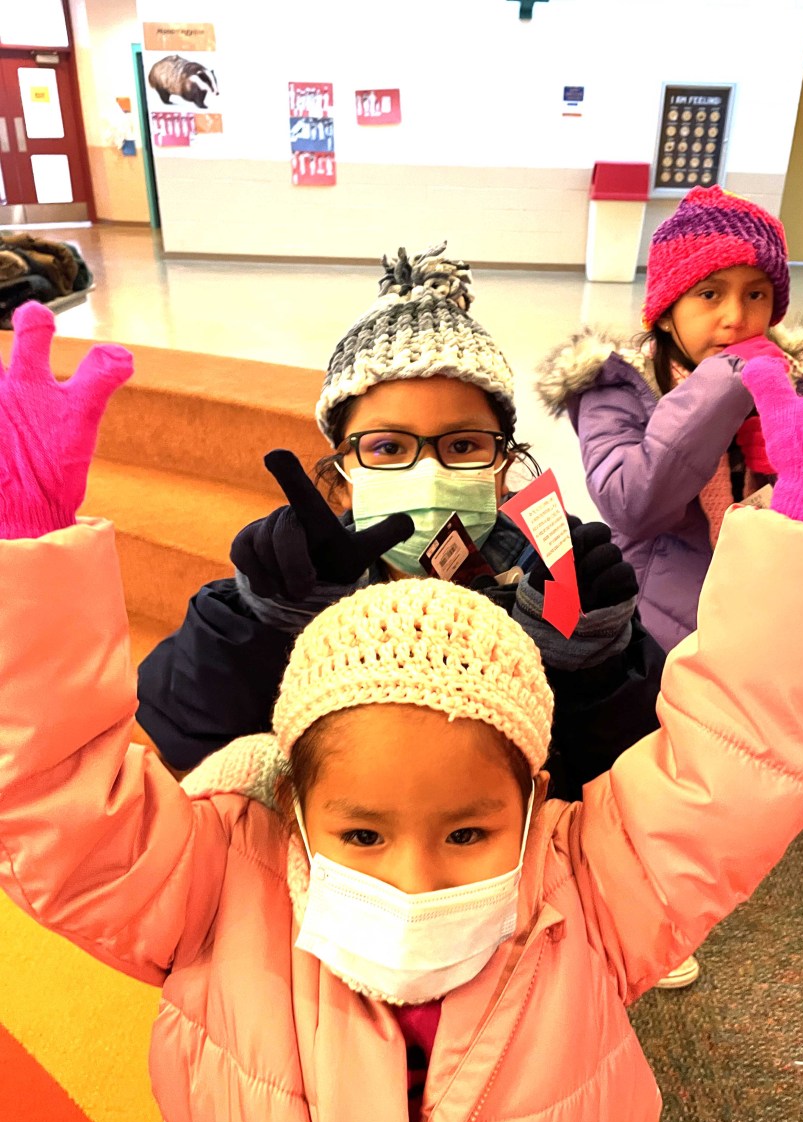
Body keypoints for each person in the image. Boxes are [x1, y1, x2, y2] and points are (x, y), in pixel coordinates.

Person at [1, 301, 803, 1122]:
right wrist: (214, 609)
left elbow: (724, 764)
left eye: (466, 832)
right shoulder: (226, 884)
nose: (415, 882)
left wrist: (604, 654)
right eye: (362, 833)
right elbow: (65, 790)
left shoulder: (584, 895)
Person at [136, 243, 665, 802]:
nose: (428, 470)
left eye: (463, 444)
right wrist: (265, 620)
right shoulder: (304, 584)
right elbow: (186, 732)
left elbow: (626, 776)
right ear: (344, 470)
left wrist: (589, 662)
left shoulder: (560, 580)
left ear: (504, 466)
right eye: (388, 446)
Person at [537, 184, 803, 655]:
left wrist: (801, 457)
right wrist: (726, 384)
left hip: (767, 621)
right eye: (709, 294)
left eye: (756, 294)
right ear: (666, 311)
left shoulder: (796, 382)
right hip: (656, 630)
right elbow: (631, 504)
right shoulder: (618, 386)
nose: (736, 316)